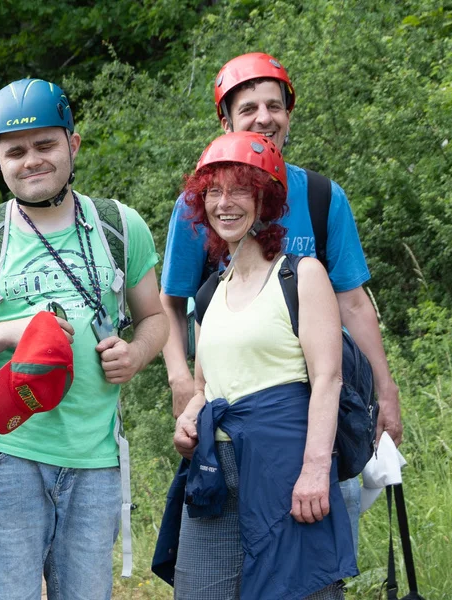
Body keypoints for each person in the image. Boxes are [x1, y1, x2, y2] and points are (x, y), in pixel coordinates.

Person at [0, 78, 167, 599]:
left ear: (72, 145)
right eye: (15, 151)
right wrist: (13, 332)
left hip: (96, 457)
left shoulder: (120, 226)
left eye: (44, 145)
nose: (30, 160)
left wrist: (137, 353)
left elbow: (155, 319)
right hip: (5, 455)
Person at [157, 52, 404, 534]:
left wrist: (385, 389)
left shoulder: (319, 195)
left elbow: (352, 301)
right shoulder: (204, 201)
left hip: (323, 406)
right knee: (229, 545)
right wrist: (182, 382)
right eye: (248, 107)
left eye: (275, 106)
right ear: (226, 119)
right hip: (230, 415)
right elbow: (171, 301)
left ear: (289, 115)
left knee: (321, 540)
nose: (264, 118)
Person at [156, 131, 356, 599]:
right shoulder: (209, 293)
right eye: (213, 192)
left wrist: (313, 471)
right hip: (215, 470)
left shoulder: (301, 275)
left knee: (298, 590)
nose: (224, 204)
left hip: (286, 464)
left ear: (265, 200)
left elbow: (328, 378)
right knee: (199, 590)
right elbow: (204, 385)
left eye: (239, 189)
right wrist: (189, 420)